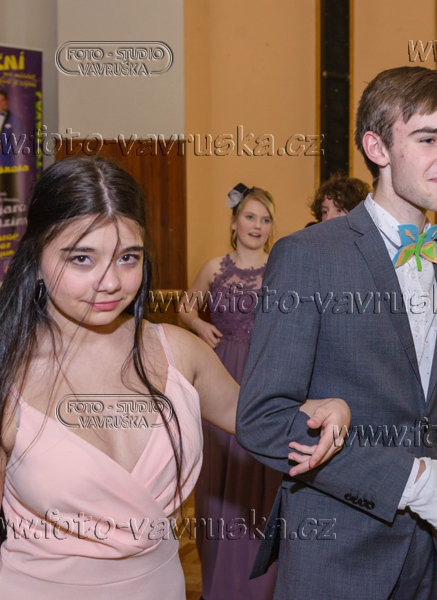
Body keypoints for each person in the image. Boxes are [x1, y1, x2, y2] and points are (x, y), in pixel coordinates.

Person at [0, 157, 350, 599]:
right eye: (82, 258)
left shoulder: (179, 353)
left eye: (128, 257)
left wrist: (329, 407)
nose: (110, 282)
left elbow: (261, 418)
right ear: (35, 258)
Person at [236, 66, 437, 600]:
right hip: (340, 555)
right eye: (428, 138)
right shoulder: (309, 255)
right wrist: (409, 481)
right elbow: (264, 419)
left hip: (435, 560)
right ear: (377, 147)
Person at [179, 183, 281, 599]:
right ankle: (218, 579)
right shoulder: (213, 267)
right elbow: (186, 307)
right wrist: (199, 325)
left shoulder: (280, 268)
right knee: (217, 477)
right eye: (250, 216)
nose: (257, 225)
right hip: (217, 375)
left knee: (259, 472)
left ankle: (259, 582)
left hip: (262, 378)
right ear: (234, 221)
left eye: (265, 219)